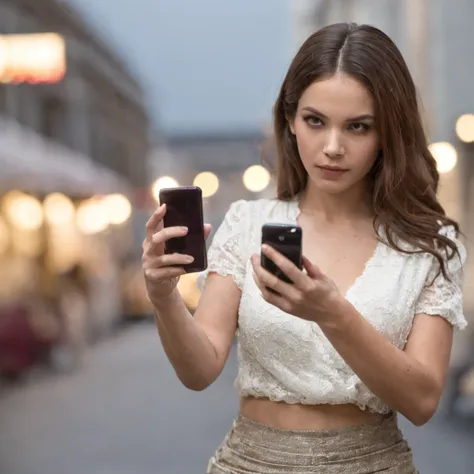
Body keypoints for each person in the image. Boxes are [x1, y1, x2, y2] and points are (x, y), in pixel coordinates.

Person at [142, 23, 467, 473]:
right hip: (249, 463)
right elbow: (199, 371)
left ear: (388, 132)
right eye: (316, 121)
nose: (332, 147)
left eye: (358, 126)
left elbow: (423, 400)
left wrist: (334, 314)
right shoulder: (248, 223)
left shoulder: (428, 246)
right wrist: (163, 298)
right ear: (291, 121)